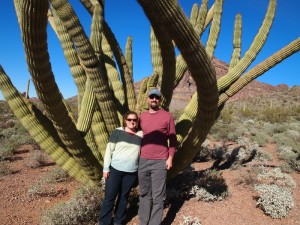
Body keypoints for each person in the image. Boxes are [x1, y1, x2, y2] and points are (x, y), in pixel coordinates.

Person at [138, 88, 177, 225]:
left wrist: (170, 157)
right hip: (143, 160)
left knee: (158, 196)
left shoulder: (167, 116)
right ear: (147, 99)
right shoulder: (142, 116)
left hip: (160, 161)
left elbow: (173, 139)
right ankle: (143, 222)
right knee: (144, 194)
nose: (154, 99)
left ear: (160, 100)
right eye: (152, 97)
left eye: (157, 97)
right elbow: (135, 135)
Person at [99, 111, 143, 225]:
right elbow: (109, 150)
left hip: (131, 172)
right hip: (115, 171)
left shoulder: (141, 134)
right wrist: (105, 169)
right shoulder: (118, 132)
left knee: (123, 198)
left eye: (135, 120)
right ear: (125, 120)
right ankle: (104, 222)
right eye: (129, 119)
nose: (132, 122)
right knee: (109, 198)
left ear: (137, 121)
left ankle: (118, 222)